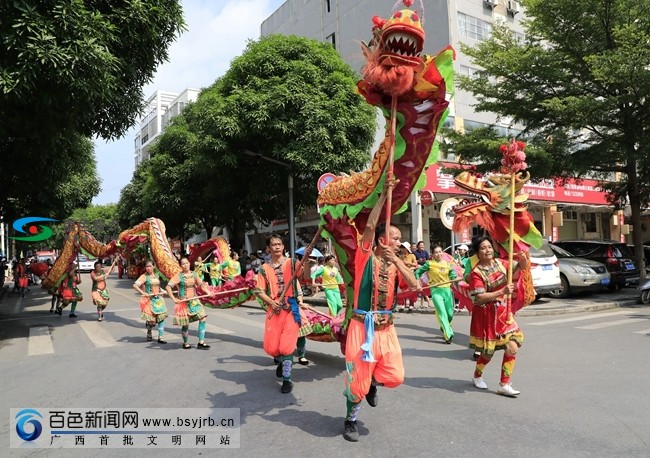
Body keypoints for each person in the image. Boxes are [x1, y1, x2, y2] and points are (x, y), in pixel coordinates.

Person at [342, 179, 418, 442]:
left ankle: (375, 382)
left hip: (387, 329)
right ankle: (350, 420)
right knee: (357, 381)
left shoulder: (397, 263)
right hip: (361, 327)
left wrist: (395, 257)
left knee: (396, 376)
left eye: (400, 240)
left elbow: (415, 284)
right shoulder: (365, 256)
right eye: (395, 238)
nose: (399, 242)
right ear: (382, 240)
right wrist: (384, 196)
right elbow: (371, 225)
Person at [468, 236, 528, 397]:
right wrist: (502, 292)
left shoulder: (502, 263)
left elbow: (521, 267)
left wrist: (523, 259)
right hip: (487, 316)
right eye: (483, 248)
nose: (487, 250)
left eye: (489, 247)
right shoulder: (476, 273)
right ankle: (477, 375)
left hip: (503, 314)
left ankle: (504, 384)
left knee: (513, 346)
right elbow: (479, 298)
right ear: (477, 253)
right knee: (488, 353)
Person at [254, 234, 307, 394]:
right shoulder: (264, 268)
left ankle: (287, 380)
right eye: (273, 245)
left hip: (291, 309)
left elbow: (305, 277)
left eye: (279, 244)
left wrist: (307, 259)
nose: (277, 247)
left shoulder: (292, 263)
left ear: (283, 247)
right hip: (274, 310)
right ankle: (282, 362)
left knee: (287, 346)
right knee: (273, 348)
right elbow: (259, 290)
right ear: (268, 249)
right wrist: (271, 302)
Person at [415, 245, 458, 343]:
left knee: (450, 314)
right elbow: (417, 273)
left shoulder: (448, 264)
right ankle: (448, 335)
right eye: (436, 252)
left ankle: (444, 327)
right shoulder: (429, 264)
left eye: (440, 251)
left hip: (447, 290)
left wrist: (454, 277)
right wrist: (418, 284)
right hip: (436, 291)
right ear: (433, 255)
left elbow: (452, 274)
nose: (439, 254)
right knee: (442, 313)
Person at [165, 257, 211, 349]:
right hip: (184, 303)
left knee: (203, 318)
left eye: (187, 263)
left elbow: (201, 285)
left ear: (189, 263)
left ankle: (201, 342)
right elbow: (168, 287)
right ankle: (185, 343)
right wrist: (174, 299)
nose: (185, 265)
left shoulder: (194, 274)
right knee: (186, 324)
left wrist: (208, 292)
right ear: (181, 266)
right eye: (183, 264)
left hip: (194, 301)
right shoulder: (178, 276)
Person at [133, 260, 168, 344]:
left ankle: (161, 337)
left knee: (161, 318)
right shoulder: (144, 276)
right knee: (151, 321)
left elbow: (158, 288)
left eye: (150, 266)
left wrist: (163, 291)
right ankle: (149, 331)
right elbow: (134, 285)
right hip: (149, 300)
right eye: (147, 266)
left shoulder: (156, 275)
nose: (148, 268)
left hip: (158, 300)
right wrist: (143, 292)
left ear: (153, 267)